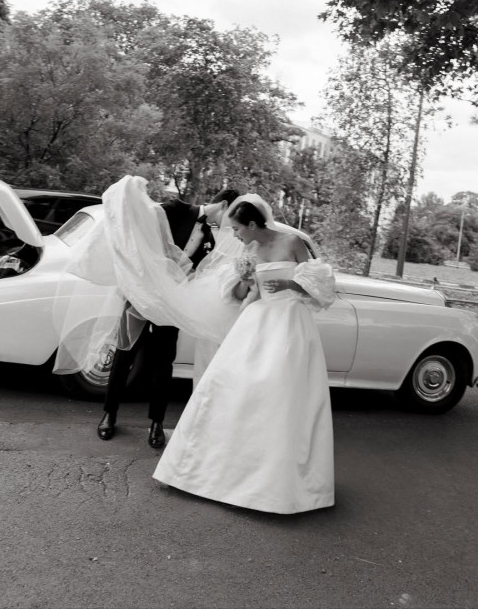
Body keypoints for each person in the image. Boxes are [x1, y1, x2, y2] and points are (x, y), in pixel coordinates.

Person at [152, 197, 336, 514]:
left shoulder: (292, 242)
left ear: (252, 224)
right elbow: (243, 296)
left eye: (237, 228)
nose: (234, 235)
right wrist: (245, 280)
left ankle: (274, 484)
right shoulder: (249, 251)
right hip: (256, 321)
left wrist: (289, 282)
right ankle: (211, 473)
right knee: (230, 388)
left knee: (280, 396)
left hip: (288, 323)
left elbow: (319, 286)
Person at [96, 186, 239, 447]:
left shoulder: (210, 238)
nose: (232, 222)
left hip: (171, 307)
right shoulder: (175, 208)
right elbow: (138, 234)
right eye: (233, 213)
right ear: (225, 205)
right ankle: (109, 415)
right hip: (140, 299)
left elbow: (194, 272)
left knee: (163, 363)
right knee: (124, 355)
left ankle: (157, 423)